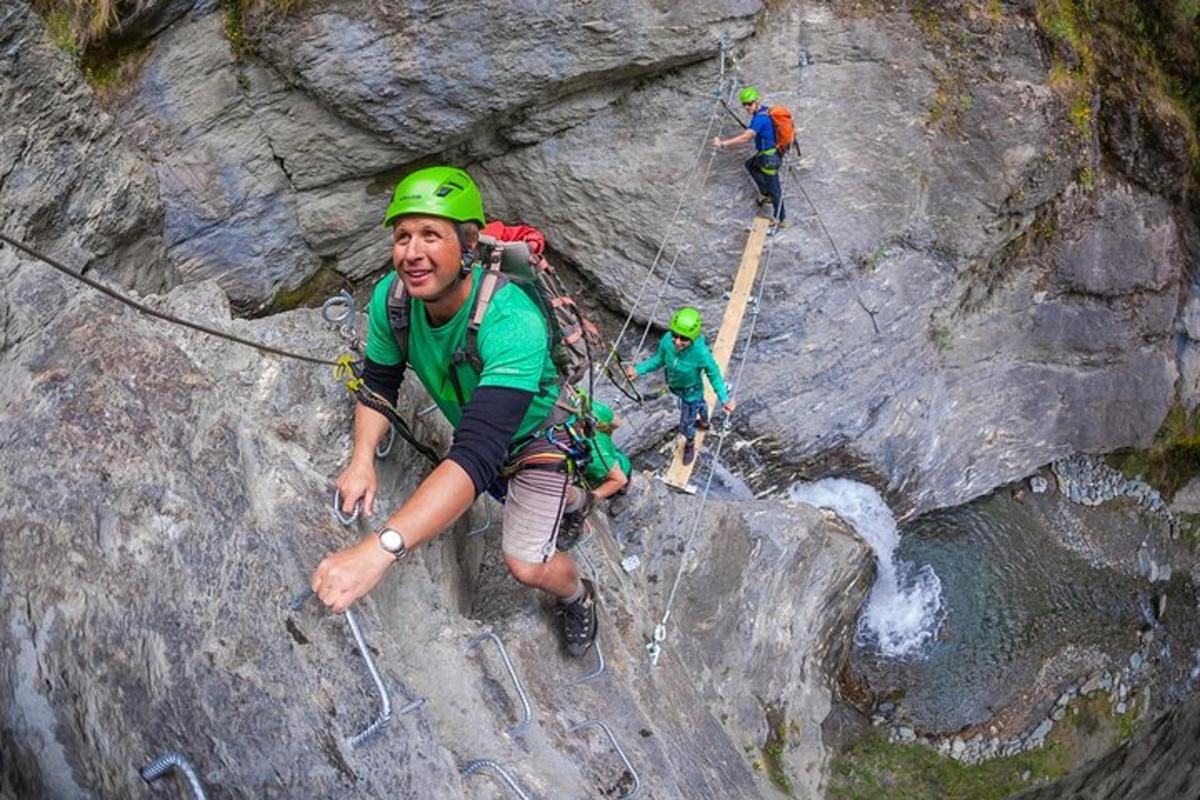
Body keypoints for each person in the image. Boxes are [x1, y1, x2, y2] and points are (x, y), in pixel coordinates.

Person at [310, 166, 598, 657]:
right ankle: (572, 502)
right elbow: (380, 382)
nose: (412, 252)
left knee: (526, 563)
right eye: (402, 236)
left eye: (430, 235)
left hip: (537, 436)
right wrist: (362, 459)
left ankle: (579, 594)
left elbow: (479, 454)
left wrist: (379, 550)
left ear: (468, 245)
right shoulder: (393, 299)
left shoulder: (512, 321)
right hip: (481, 426)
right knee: (528, 492)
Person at [624, 307, 735, 466]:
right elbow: (659, 359)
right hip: (675, 385)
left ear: (693, 337)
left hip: (690, 391)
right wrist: (639, 370)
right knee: (701, 404)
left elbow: (714, 375)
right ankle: (704, 422)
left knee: (686, 423)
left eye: (683, 338)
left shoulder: (701, 353)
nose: (677, 341)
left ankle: (690, 441)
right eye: (675, 335)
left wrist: (724, 399)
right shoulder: (667, 340)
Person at [554, 396, 632, 551]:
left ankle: (580, 512)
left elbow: (619, 480)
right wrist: (605, 438)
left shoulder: (592, 456)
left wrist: (586, 501)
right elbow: (617, 422)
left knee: (612, 484)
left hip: (609, 472)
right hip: (613, 460)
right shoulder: (588, 407)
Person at [712, 86, 786, 231]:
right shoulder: (765, 110)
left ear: (756, 101)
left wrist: (722, 144)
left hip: (769, 158)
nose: (747, 107)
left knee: (775, 189)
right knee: (750, 165)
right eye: (744, 104)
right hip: (769, 154)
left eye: (750, 104)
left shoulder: (759, 119)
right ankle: (766, 194)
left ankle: (780, 219)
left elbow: (746, 137)